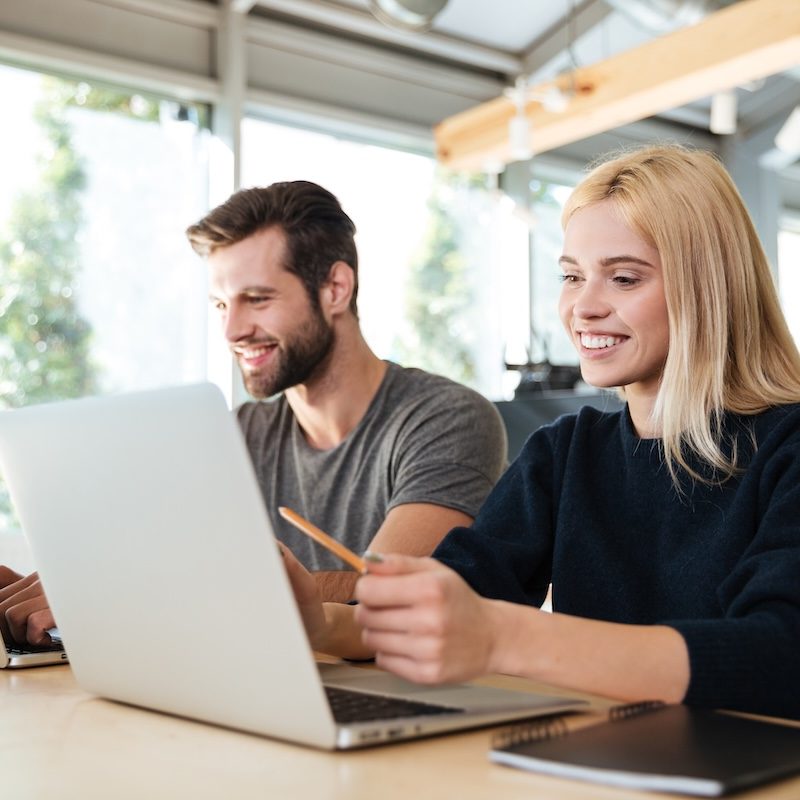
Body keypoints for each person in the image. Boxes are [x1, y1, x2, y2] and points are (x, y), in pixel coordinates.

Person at [281, 144, 800, 721]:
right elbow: (455, 600)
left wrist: (505, 637)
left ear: (710, 289)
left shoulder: (789, 447)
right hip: (598, 761)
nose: (582, 307)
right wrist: (318, 618)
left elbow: (781, 654)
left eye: (623, 278)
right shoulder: (565, 452)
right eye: (572, 277)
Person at [0, 180, 507, 644]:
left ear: (336, 289)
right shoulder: (238, 434)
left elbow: (378, 591)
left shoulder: (448, 418)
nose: (232, 331)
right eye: (221, 305)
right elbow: (156, 565)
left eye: (256, 299)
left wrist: (167, 591)